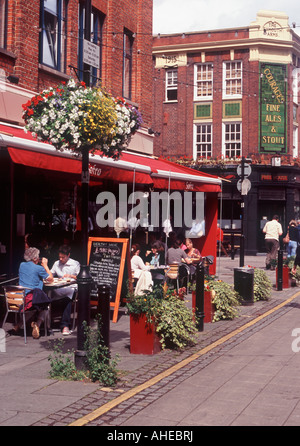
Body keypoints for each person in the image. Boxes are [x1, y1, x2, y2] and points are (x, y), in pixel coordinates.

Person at [18, 247, 53, 339]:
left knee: (35, 305)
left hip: (20, 299)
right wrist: (45, 265)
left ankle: (19, 324)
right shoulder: (39, 268)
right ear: (34, 258)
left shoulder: (21, 265)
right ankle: (37, 324)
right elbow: (51, 279)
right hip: (30, 301)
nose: (39, 258)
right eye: (38, 257)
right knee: (45, 306)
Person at [50, 244, 80, 335]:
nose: (61, 259)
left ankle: (65, 325)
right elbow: (51, 274)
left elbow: (80, 278)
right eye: (60, 257)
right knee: (46, 294)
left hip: (71, 288)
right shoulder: (56, 263)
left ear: (68, 255)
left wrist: (71, 276)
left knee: (67, 299)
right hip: (58, 288)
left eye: (63, 257)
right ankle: (45, 323)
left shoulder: (75, 264)